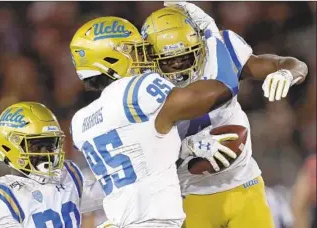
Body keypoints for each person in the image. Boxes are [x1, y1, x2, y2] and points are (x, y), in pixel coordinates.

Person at [142, 2, 308, 228]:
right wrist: (185, 148)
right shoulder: (140, 88)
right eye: (169, 61)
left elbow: (291, 64)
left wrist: (287, 73)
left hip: (243, 183)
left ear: (200, 46)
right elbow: (141, 152)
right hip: (188, 193)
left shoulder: (220, 51)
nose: (179, 67)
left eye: (186, 57)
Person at [69, 16, 240, 228]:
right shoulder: (137, 90)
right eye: (133, 50)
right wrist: (215, 40)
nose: (143, 56)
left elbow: (140, 155)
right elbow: (221, 90)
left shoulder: (80, 121)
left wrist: (188, 147)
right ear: (110, 60)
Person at [0, 102, 103, 228]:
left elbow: (114, 196)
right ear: (9, 147)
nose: (46, 153)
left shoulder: (68, 175)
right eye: (37, 146)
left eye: (50, 145)